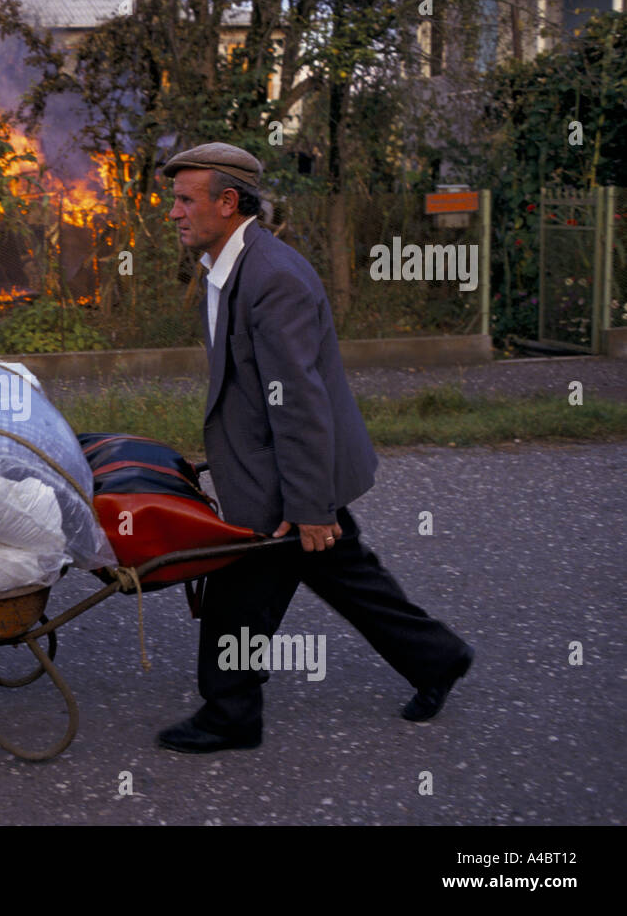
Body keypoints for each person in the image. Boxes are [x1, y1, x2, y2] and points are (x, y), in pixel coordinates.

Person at [155, 142, 474, 754]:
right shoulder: (228, 267)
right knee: (344, 573)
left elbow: (297, 402)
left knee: (240, 587)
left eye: (184, 199)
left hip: (286, 479)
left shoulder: (273, 278)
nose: (173, 212)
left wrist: (309, 505)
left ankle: (231, 715)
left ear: (227, 203)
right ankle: (438, 657)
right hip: (275, 471)